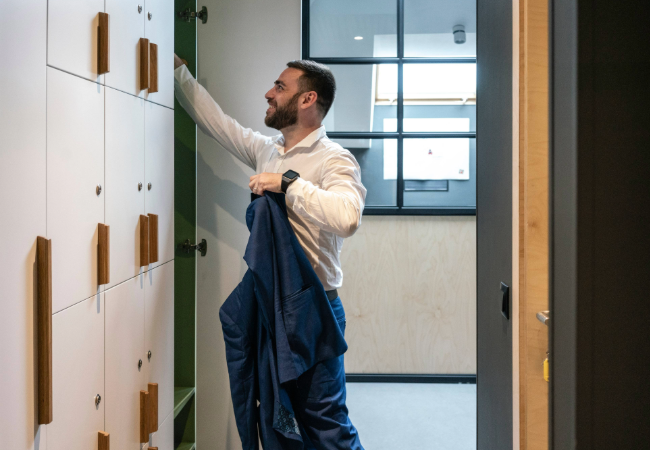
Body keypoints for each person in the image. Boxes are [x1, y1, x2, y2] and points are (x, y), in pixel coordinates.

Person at [173, 54, 366, 449]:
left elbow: (347, 216)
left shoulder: (335, 160)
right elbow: (218, 124)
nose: (269, 93)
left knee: (326, 423)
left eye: (280, 87)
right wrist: (178, 73)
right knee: (278, 418)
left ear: (308, 99)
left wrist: (288, 184)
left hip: (315, 314)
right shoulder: (268, 150)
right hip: (269, 312)